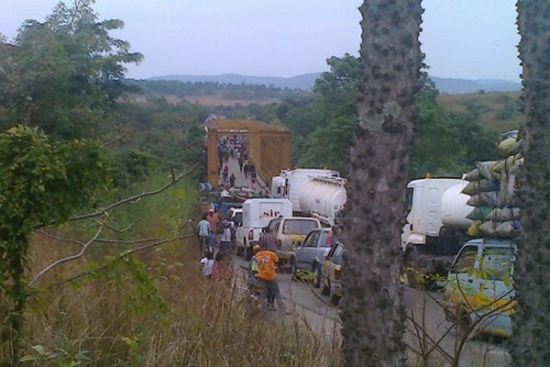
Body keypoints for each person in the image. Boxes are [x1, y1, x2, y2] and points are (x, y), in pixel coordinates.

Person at [255, 243, 287, 317]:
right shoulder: (271, 254)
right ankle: (282, 311)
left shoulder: (258, 255)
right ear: (267, 248)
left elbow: (257, 263)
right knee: (277, 293)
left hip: (262, 277)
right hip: (271, 277)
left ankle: (264, 312)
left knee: (263, 295)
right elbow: (277, 260)